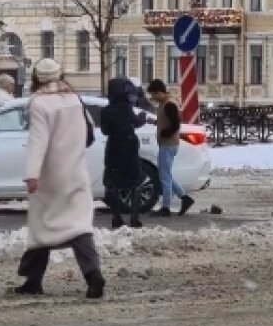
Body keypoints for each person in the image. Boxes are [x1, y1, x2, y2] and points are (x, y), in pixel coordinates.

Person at [16, 58, 105, 299]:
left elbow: (38, 141)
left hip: (50, 177)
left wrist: (32, 175)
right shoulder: (74, 98)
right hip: (76, 171)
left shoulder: (39, 103)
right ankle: (93, 275)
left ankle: (32, 280)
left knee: (41, 226)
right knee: (79, 226)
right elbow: (89, 132)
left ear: (36, 78)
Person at [146, 79, 194, 218]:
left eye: (153, 94)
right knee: (165, 175)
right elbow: (166, 120)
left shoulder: (169, 104)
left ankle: (166, 208)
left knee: (164, 177)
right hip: (167, 144)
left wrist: (165, 133)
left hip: (168, 144)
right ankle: (184, 198)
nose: (152, 98)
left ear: (159, 92)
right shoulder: (164, 104)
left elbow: (175, 124)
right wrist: (155, 122)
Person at [101, 77, 145, 229]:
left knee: (112, 184)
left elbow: (105, 131)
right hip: (129, 147)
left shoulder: (105, 111)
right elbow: (137, 123)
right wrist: (142, 117)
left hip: (113, 148)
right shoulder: (126, 108)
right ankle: (134, 218)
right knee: (136, 182)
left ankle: (117, 218)